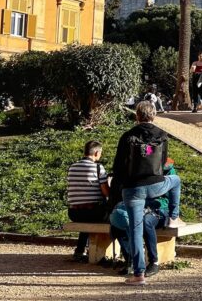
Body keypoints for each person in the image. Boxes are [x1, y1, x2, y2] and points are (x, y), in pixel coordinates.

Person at [112, 101, 185, 285]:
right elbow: (161, 164)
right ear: (154, 115)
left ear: (137, 115)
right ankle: (174, 216)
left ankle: (139, 275)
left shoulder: (128, 136)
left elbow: (118, 167)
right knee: (176, 180)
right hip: (155, 185)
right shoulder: (162, 135)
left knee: (136, 230)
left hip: (132, 189)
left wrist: (120, 189)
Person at [110, 158, 176, 277]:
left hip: (159, 209)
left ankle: (153, 262)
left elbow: (167, 198)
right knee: (117, 222)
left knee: (146, 222)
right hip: (139, 206)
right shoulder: (137, 168)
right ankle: (130, 260)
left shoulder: (167, 168)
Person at [66, 141, 110, 262]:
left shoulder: (72, 167)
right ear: (96, 153)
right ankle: (101, 253)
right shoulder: (97, 167)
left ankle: (80, 251)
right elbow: (106, 192)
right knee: (112, 217)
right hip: (94, 212)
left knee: (87, 220)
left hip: (74, 213)